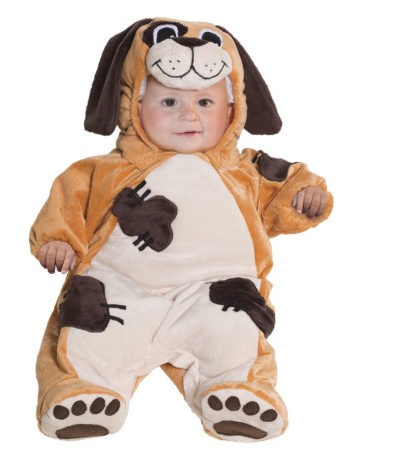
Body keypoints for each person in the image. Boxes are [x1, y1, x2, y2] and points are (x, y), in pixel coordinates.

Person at [30, 19, 333, 442]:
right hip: (121, 289)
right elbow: (67, 203)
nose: (189, 114)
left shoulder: (246, 170)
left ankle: (235, 392)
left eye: (206, 102)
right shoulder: (102, 170)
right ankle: (83, 390)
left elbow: (290, 182)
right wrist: (57, 241)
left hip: (216, 293)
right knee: (88, 332)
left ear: (233, 108)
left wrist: (306, 196)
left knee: (235, 333)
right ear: (132, 104)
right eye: (169, 101)